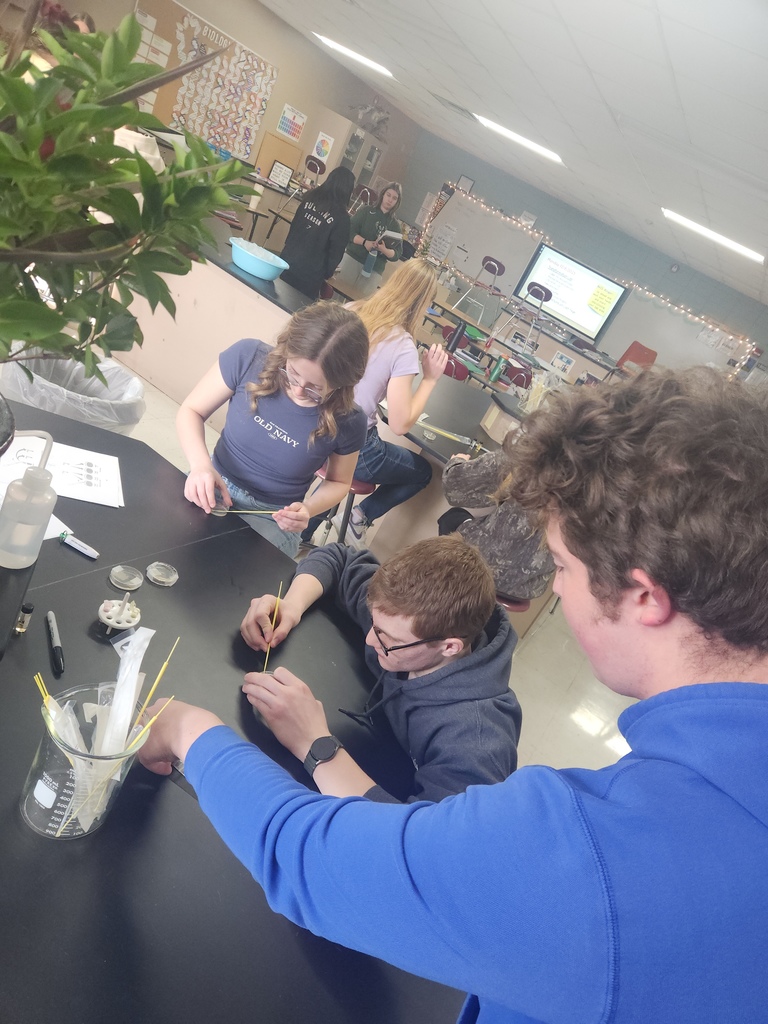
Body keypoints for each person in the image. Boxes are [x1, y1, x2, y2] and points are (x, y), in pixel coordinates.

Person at [141, 365, 768, 1023]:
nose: (555, 590)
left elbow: (319, 861)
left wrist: (191, 733)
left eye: (561, 567)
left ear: (644, 597)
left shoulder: (598, 857)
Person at [239, 535, 520, 802]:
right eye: (374, 624)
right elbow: (339, 558)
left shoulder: (478, 744)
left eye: (389, 640)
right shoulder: (399, 612)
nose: (370, 639)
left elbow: (427, 847)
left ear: (449, 647)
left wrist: (314, 743)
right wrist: (292, 604)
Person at [176, 302, 368, 558]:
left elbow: (339, 481)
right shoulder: (249, 357)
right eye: (292, 373)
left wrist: (308, 509)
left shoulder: (349, 420)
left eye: (315, 388)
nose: (299, 391)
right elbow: (191, 411)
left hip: (273, 516)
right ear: (286, 348)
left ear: (343, 384)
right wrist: (200, 466)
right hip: (213, 482)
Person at [304, 259, 448, 547]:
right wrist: (430, 379)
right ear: (423, 304)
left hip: (313, 423)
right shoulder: (403, 346)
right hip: (355, 444)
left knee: (336, 467)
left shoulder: (350, 310)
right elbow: (399, 423)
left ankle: (302, 533)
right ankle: (361, 516)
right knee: (422, 473)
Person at [438, 440, 554, 600]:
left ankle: (441, 594)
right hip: (528, 586)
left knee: (452, 517)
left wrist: (457, 461)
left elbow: (455, 488)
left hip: (480, 567)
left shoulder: (531, 452)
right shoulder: (598, 489)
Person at [278, 167, 355, 299]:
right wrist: (327, 273)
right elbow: (336, 252)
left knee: (275, 297)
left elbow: (294, 226)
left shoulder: (309, 198)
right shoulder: (342, 218)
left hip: (287, 259)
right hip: (310, 274)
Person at [336, 182, 403, 296]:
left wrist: (383, 250)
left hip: (374, 269)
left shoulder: (395, 225)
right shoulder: (366, 211)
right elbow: (349, 231)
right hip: (353, 259)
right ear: (383, 194)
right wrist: (365, 242)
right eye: (388, 195)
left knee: (360, 303)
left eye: (394, 198)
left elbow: (397, 254)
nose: (390, 200)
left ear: (397, 202)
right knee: (337, 294)